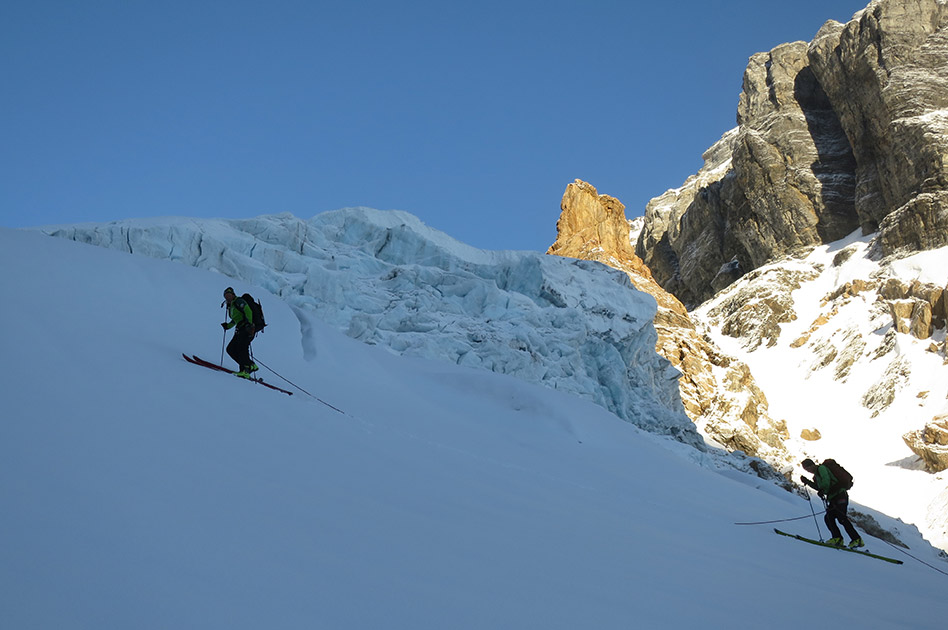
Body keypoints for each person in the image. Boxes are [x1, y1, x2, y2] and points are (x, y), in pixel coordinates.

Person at [800, 458, 864, 549]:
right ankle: (838, 538)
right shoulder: (816, 476)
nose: (808, 471)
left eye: (807, 468)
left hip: (839, 495)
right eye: (806, 470)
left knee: (840, 517)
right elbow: (819, 487)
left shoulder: (821, 469)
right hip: (835, 497)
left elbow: (826, 480)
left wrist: (823, 489)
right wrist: (807, 482)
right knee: (829, 517)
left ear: (811, 465)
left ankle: (855, 539)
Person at [221, 287, 258, 378]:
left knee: (242, 348)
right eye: (226, 296)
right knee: (231, 349)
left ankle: (245, 370)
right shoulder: (232, 306)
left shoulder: (238, 301)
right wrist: (228, 326)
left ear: (233, 295)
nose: (228, 297)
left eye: (229, 295)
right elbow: (235, 319)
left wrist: (249, 324)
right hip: (241, 328)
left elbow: (247, 310)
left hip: (246, 328)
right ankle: (250, 365)